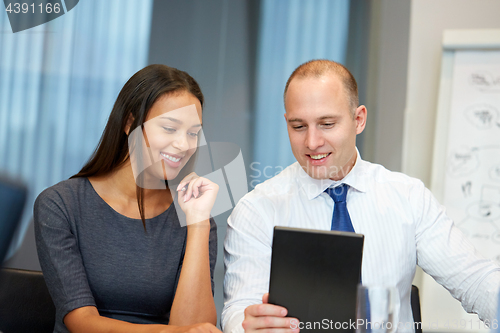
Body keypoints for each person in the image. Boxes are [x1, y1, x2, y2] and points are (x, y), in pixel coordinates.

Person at [222, 59, 500, 333]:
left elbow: (475, 281)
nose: (312, 142)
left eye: (327, 124)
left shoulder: (408, 197)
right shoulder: (257, 210)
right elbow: (239, 309)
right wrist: (247, 326)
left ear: (359, 119)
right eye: (298, 126)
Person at [35, 64, 222, 333]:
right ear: (130, 123)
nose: (184, 145)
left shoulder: (194, 214)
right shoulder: (60, 205)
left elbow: (197, 326)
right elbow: (81, 322)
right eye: (170, 128)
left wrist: (198, 223)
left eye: (193, 133)